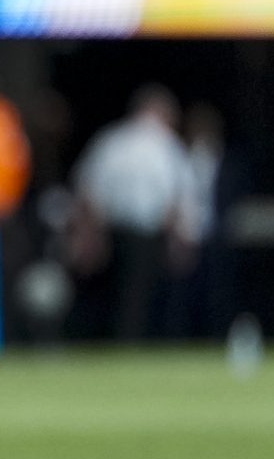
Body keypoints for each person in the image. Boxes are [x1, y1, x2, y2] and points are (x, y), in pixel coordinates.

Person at [71, 86, 196, 342]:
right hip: (147, 234)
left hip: (113, 231)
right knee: (140, 297)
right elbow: (177, 197)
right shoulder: (166, 145)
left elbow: (87, 191)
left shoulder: (111, 140)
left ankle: (114, 342)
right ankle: (133, 342)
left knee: (114, 296)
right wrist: (180, 239)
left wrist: (90, 236)